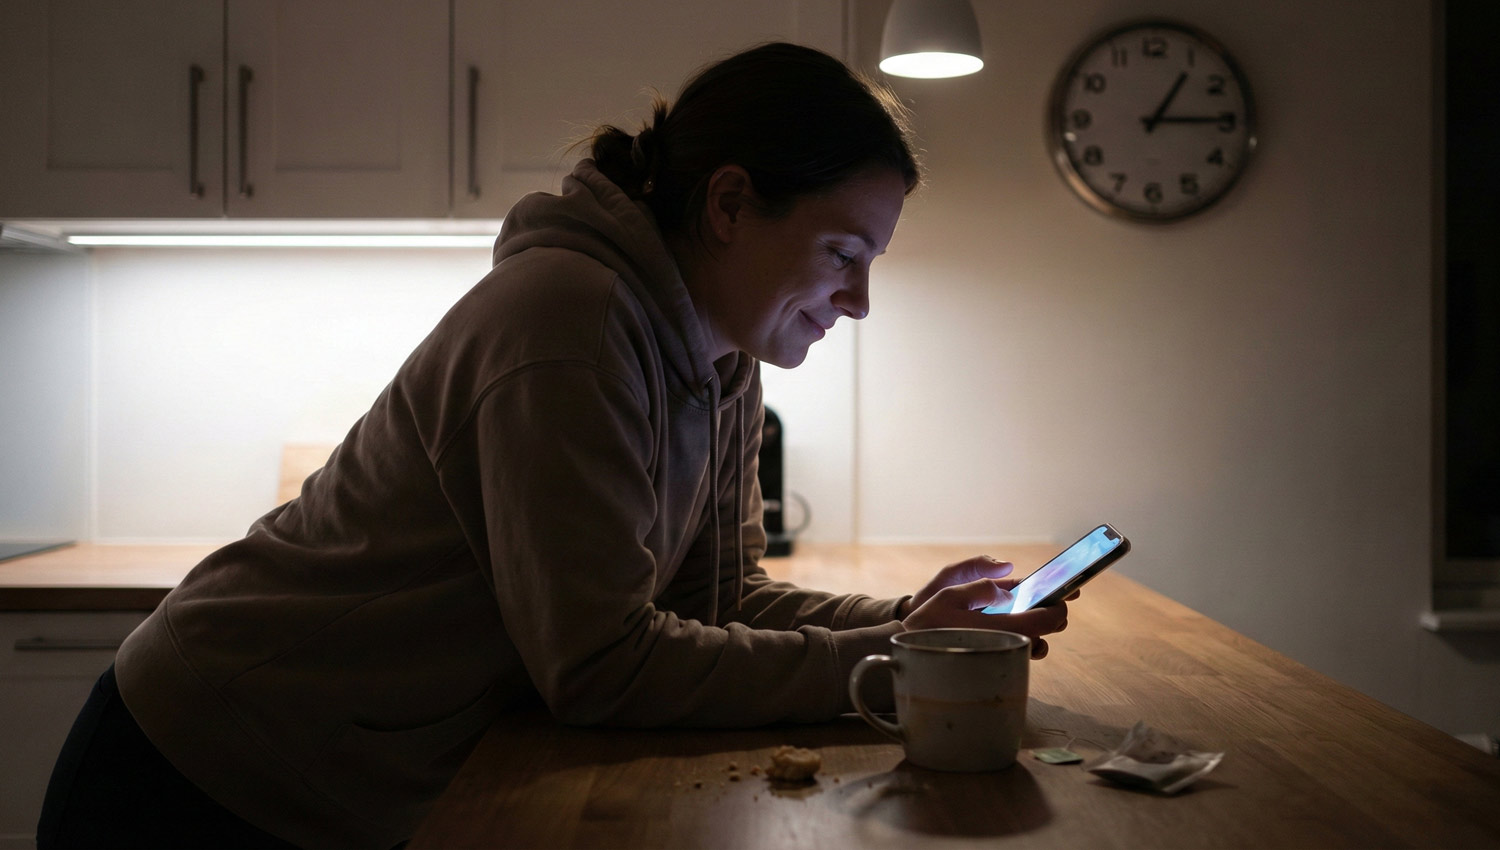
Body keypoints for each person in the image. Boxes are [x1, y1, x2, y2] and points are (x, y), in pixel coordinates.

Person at [36, 42, 1070, 849]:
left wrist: (911, 625)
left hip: (331, 776)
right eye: (844, 251)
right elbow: (605, 668)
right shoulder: (566, 323)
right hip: (204, 765)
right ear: (728, 204)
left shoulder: (721, 355)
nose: (861, 298)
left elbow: (713, 608)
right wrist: (886, 659)